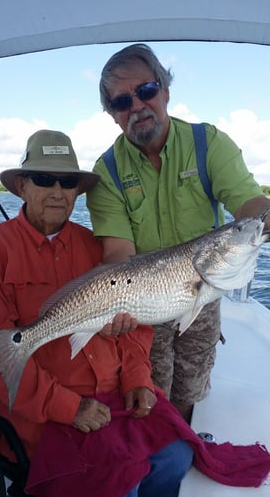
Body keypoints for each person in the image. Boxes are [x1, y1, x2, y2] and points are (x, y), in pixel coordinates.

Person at [0, 129, 194, 497]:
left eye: (68, 182)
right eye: (44, 179)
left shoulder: (98, 248)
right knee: (114, 483)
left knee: (176, 457)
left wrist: (138, 379)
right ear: (22, 185)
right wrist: (69, 407)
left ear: (78, 192)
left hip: (115, 398)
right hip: (43, 415)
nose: (57, 191)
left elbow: (136, 322)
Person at [86, 43, 270, 423]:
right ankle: (159, 453)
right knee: (149, 391)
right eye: (122, 101)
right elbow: (118, 252)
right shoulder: (106, 172)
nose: (136, 106)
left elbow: (249, 206)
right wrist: (117, 304)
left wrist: (262, 219)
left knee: (190, 384)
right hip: (142, 306)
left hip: (203, 289)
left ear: (165, 91)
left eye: (146, 91)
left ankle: (182, 438)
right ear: (113, 115)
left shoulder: (208, 144)